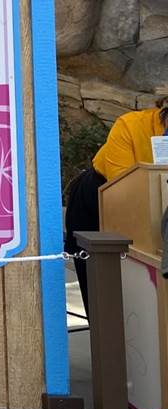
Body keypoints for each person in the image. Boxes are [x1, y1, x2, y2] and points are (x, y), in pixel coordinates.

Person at [65, 93, 168, 317]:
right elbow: (124, 190)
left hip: (156, 209)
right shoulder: (131, 125)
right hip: (99, 199)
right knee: (103, 295)